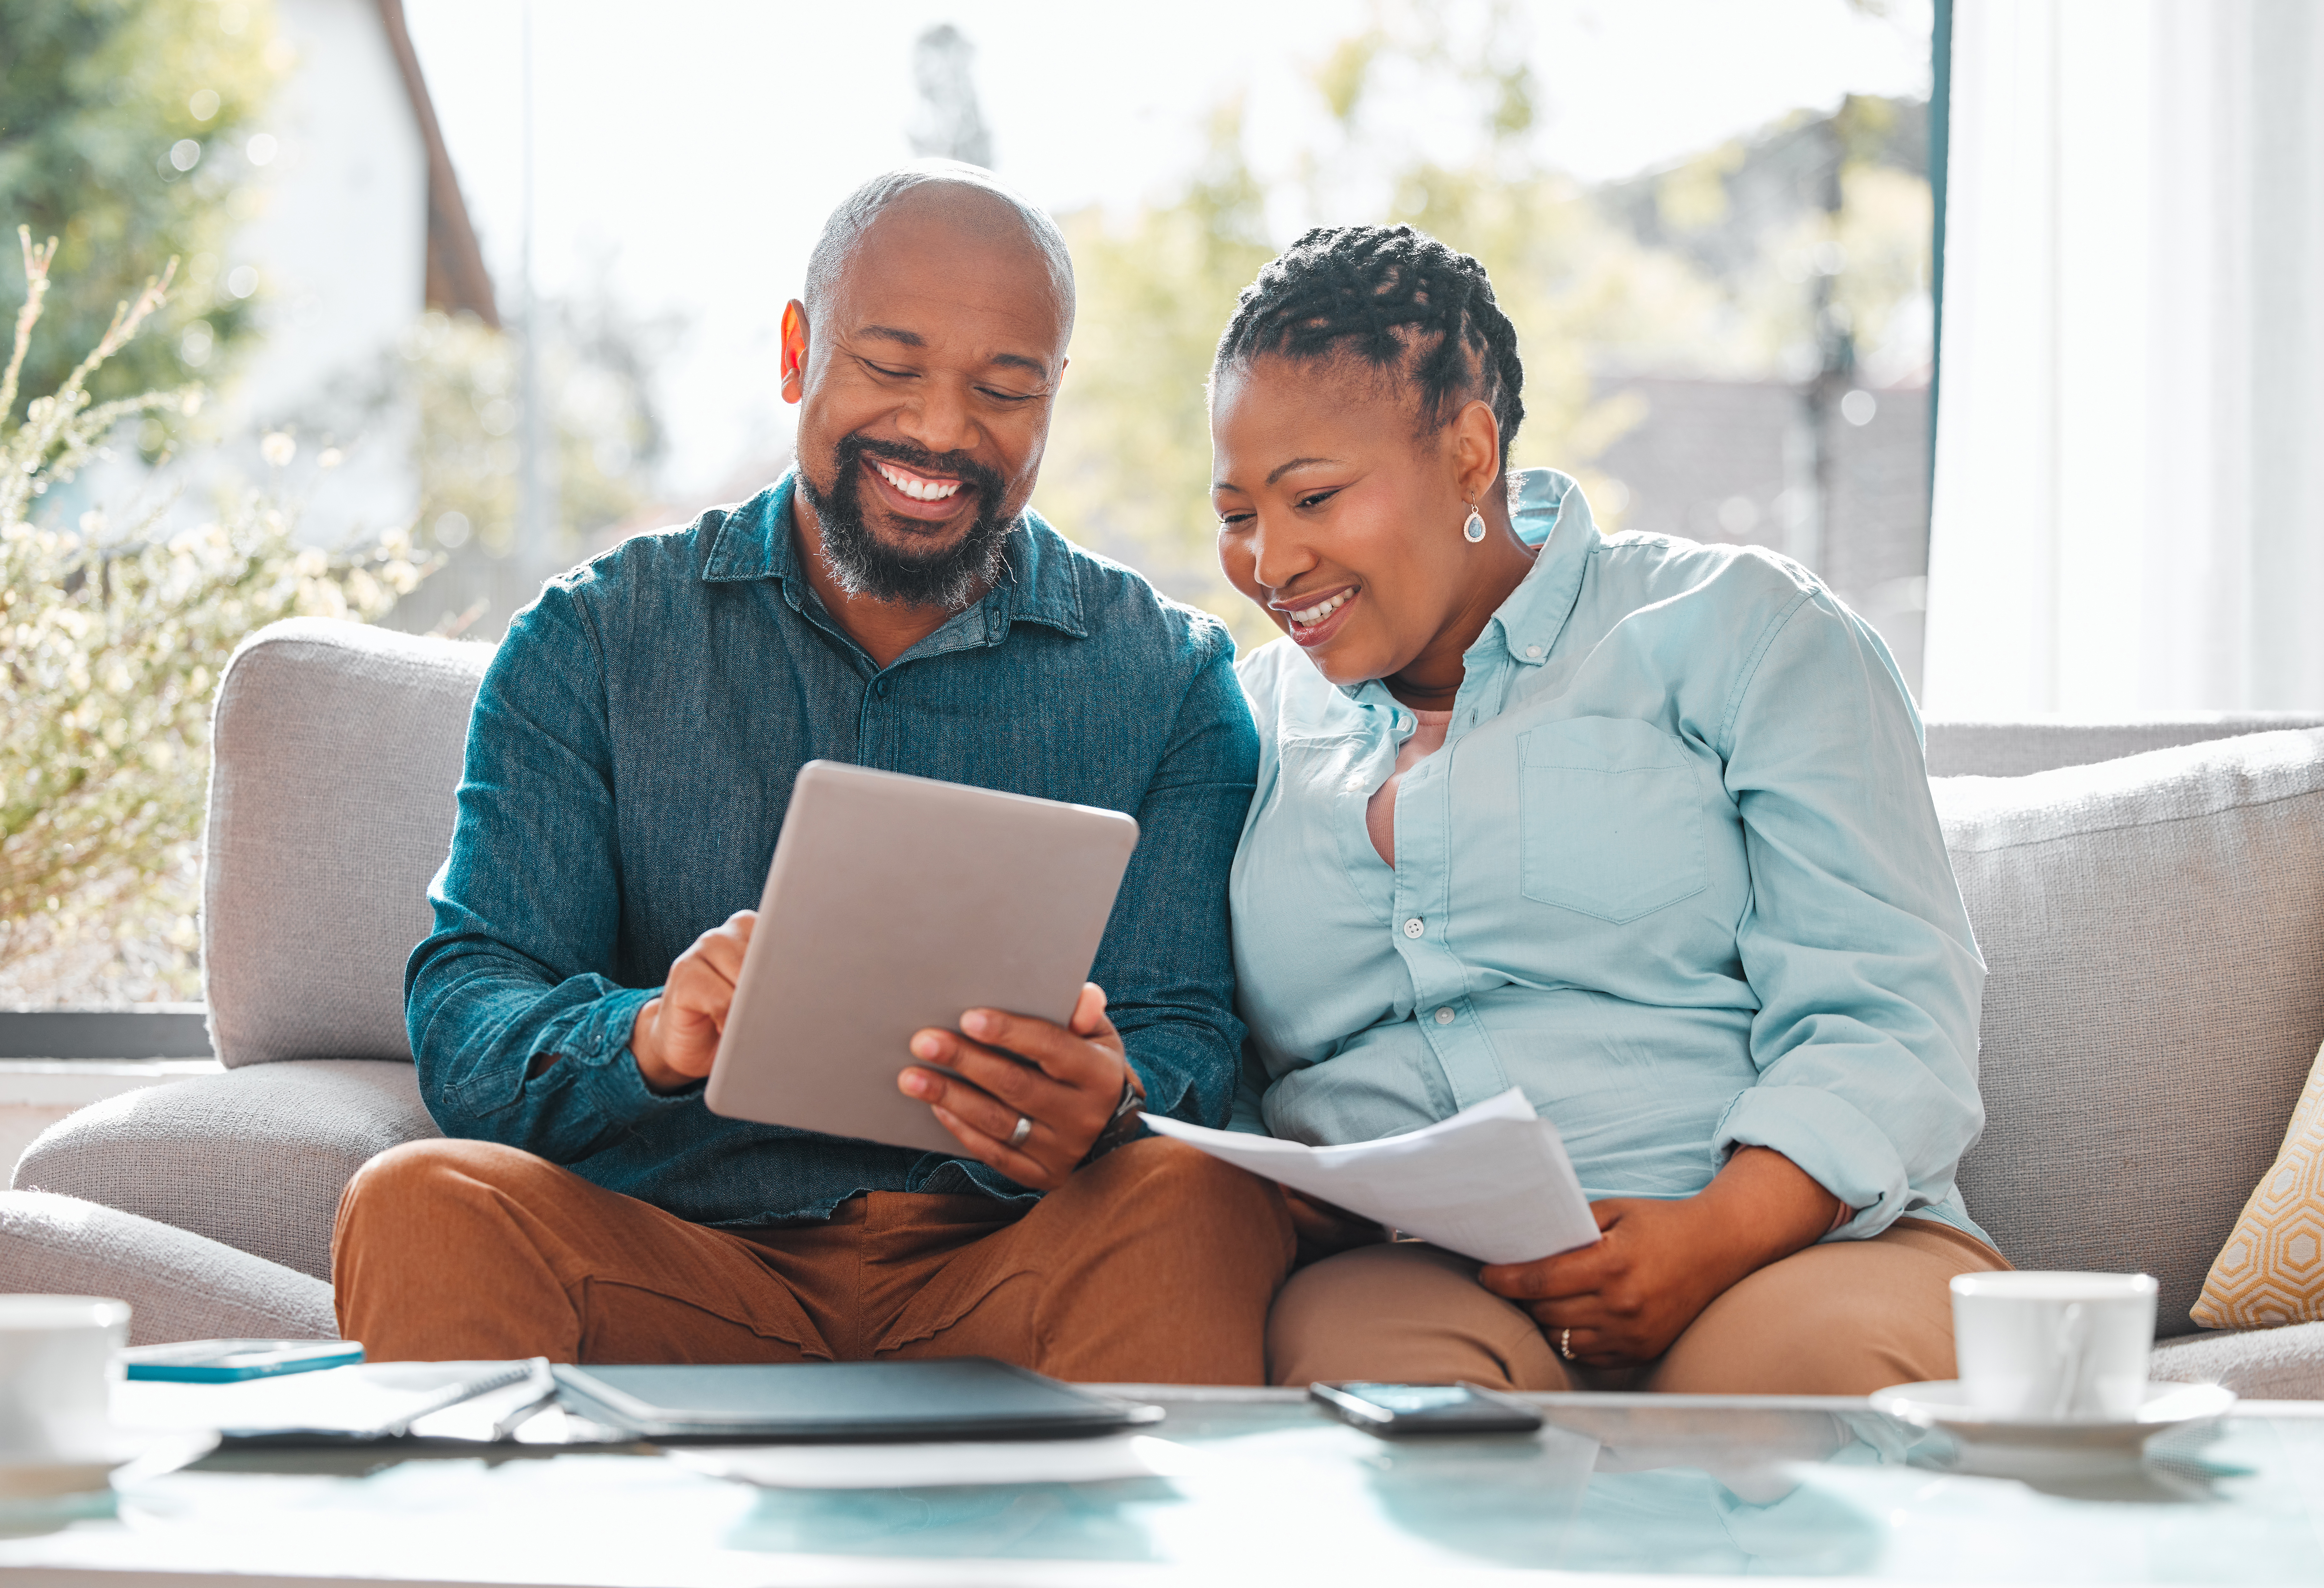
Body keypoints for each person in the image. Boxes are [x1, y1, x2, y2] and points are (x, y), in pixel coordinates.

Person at [332, 162, 1292, 1378]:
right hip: (673, 1254)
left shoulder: (1169, 680)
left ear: (1052, 401)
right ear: (798, 353)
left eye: (1004, 389)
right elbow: (471, 1011)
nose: (942, 432)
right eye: (891, 368)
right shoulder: (594, 641)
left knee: (1201, 1198)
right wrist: (649, 1037)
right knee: (422, 1200)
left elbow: (1191, 1039)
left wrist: (1108, 1098)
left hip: (1008, 1260)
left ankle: (1073, 1577)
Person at [1210, 224, 2009, 1396]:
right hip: (1423, 1273)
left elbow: (1891, 1008)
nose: (1271, 561)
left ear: (1471, 453)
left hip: (1794, 1246)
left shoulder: (1745, 631)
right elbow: (1220, 1057)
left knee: (1768, 1403)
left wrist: (1712, 1238)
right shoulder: (1243, 721)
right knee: (1397, 1430)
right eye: (1236, 514)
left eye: (1314, 497)